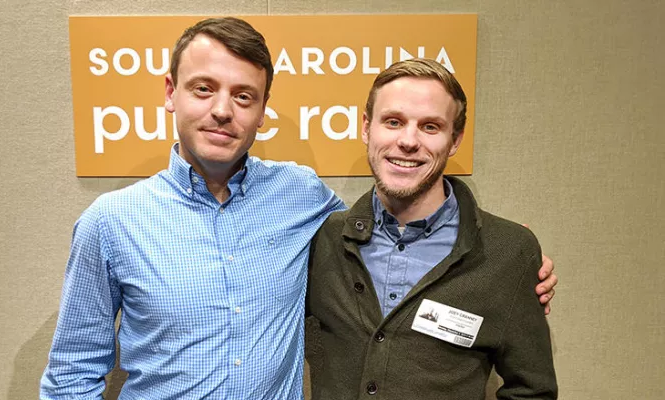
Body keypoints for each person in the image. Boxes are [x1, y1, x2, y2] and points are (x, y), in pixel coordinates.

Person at [41, 18, 557, 400]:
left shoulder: (303, 198)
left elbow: (387, 225)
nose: (223, 110)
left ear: (263, 111)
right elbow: (72, 374)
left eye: (245, 96)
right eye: (205, 89)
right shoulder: (110, 223)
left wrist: (503, 258)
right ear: (172, 93)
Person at [306, 58, 558, 399]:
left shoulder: (508, 251)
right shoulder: (321, 239)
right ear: (366, 128)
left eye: (430, 127)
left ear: (455, 139)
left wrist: (522, 264)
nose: (408, 141)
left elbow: (533, 390)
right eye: (393, 122)